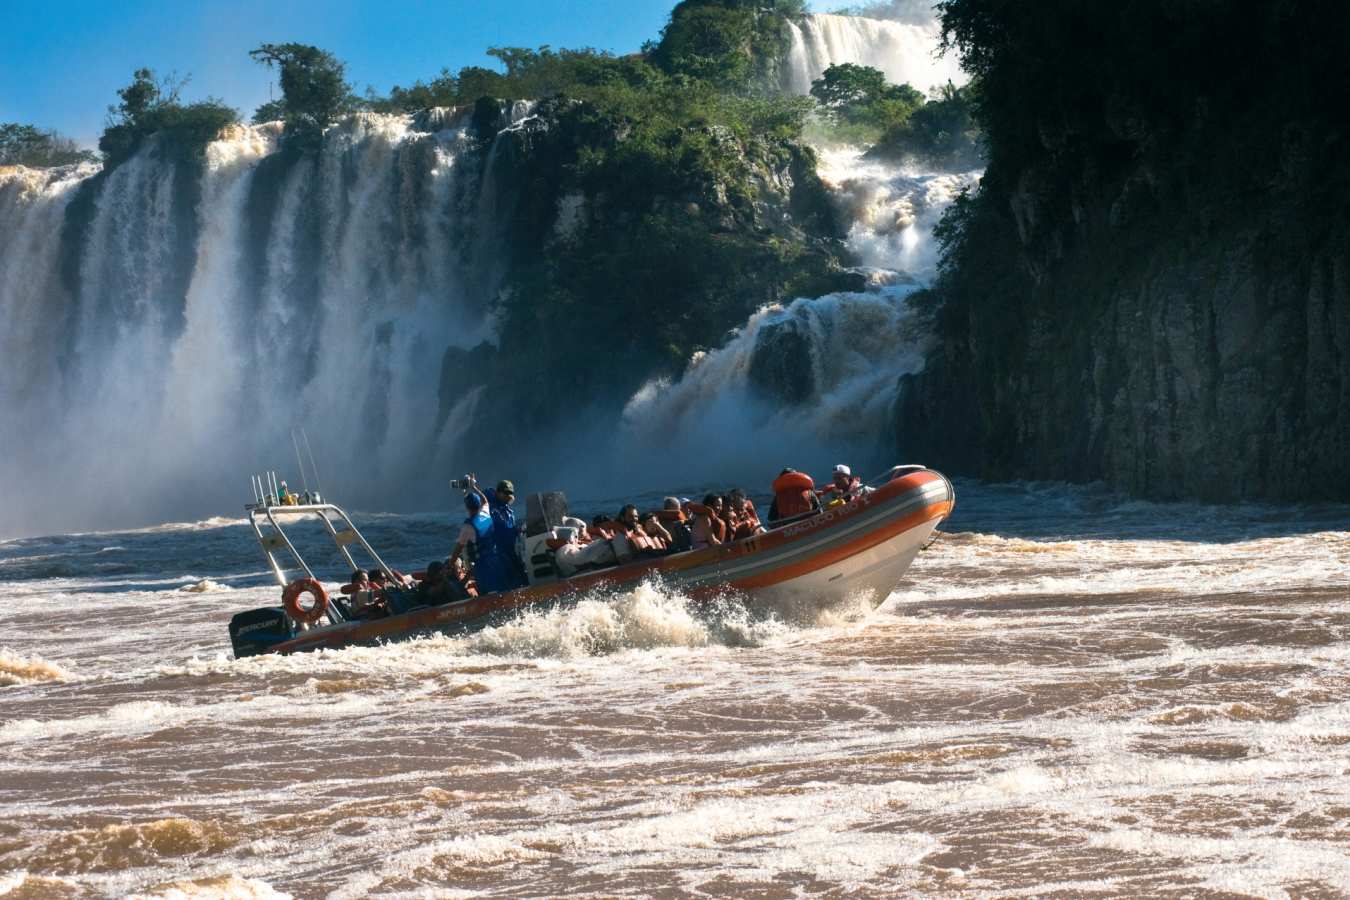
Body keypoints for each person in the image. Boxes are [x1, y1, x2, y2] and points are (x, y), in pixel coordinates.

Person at [451, 478, 511, 595]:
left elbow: (458, 548)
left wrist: (450, 564)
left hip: (482, 565)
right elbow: (484, 500)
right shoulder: (485, 512)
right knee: (501, 589)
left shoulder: (468, 526)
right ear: (478, 504)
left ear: (467, 507)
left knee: (488, 592)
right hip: (496, 559)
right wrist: (474, 487)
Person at [484, 479, 527, 590]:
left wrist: (518, 530)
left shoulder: (508, 511)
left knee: (521, 572)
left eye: (510, 494)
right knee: (508, 577)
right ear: (498, 492)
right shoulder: (490, 505)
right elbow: (481, 498)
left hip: (511, 549)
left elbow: (510, 527)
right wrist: (473, 487)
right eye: (506, 493)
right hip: (498, 550)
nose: (508, 496)